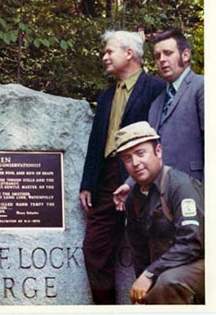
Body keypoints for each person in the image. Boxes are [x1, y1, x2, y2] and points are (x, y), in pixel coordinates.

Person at [78, 30, 164, 304]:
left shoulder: (156, 88)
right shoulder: (105, 97)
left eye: (109, 51)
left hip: (144, 180)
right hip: (107, 181)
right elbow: (96, 143)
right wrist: (88, 183)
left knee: (151, 250)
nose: (104, 57)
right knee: (95, 249)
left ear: (129, 53)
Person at [113, 121, 204, 304]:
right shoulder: (134, 198)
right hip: (167, 266)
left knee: (167, 283)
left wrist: (149, 274)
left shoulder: (180, 186)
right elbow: (139, 252)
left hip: (199, 262)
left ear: (158, 151)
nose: (135, 163)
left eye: (140, 153)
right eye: (127, 159)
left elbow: (192, 243)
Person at [148, 28, 204, 181]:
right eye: (157, 56)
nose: (162, 60)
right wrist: (130, 184)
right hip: (162, 190)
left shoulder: (202, 86)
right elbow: (150, 151)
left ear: (185, 55)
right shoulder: (156, 103)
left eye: (168, 53)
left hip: (195, 186)